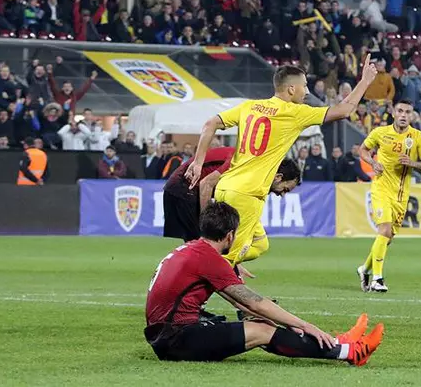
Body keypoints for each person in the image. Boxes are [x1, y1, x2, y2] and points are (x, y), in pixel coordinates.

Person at [186, 59, 378, 266]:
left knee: (259, 245)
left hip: (225, 186)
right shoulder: (293, 112)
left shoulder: (249, 106)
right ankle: (193, 287)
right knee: (228, 261)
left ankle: (199, 264)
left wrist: (198, 162)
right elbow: (344, 110)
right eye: (304, 86)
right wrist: (365, 81)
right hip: (248, 193)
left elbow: (210, 123)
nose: (306, 91)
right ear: (291, 88)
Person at [144, 202, 384, 364]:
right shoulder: (209, 259)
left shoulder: (194, 250)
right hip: (174, 340)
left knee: (258, 323)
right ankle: (351, 352)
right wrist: (304, 324)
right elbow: (255, 302)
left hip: (167, 334)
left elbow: (242, 305)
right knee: (262, 330)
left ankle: (337, 341)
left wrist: (287, 324)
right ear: (230, 235)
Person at [357, 100, 421, 293]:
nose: (403, 115)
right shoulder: (380, 133)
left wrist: (412, 163)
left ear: (412, 115)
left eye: (408, 111)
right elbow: (362, 150)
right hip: (381, 188)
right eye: (400, 111)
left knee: (387, 237)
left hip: (401, 195)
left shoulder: (418, 137)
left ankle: (364, 268)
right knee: (384, 230)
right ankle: (377, 279)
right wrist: (372, 163)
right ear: (393, 113)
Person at [164, 147, 300, 244]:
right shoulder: (244, 161)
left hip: (184, 189)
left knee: (206, 246)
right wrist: (207, 223)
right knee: (207, 245)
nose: (282, 195)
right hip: (184, 188)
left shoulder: (255, 172)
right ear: (278, 177)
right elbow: (206, 184)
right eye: (285, 189)